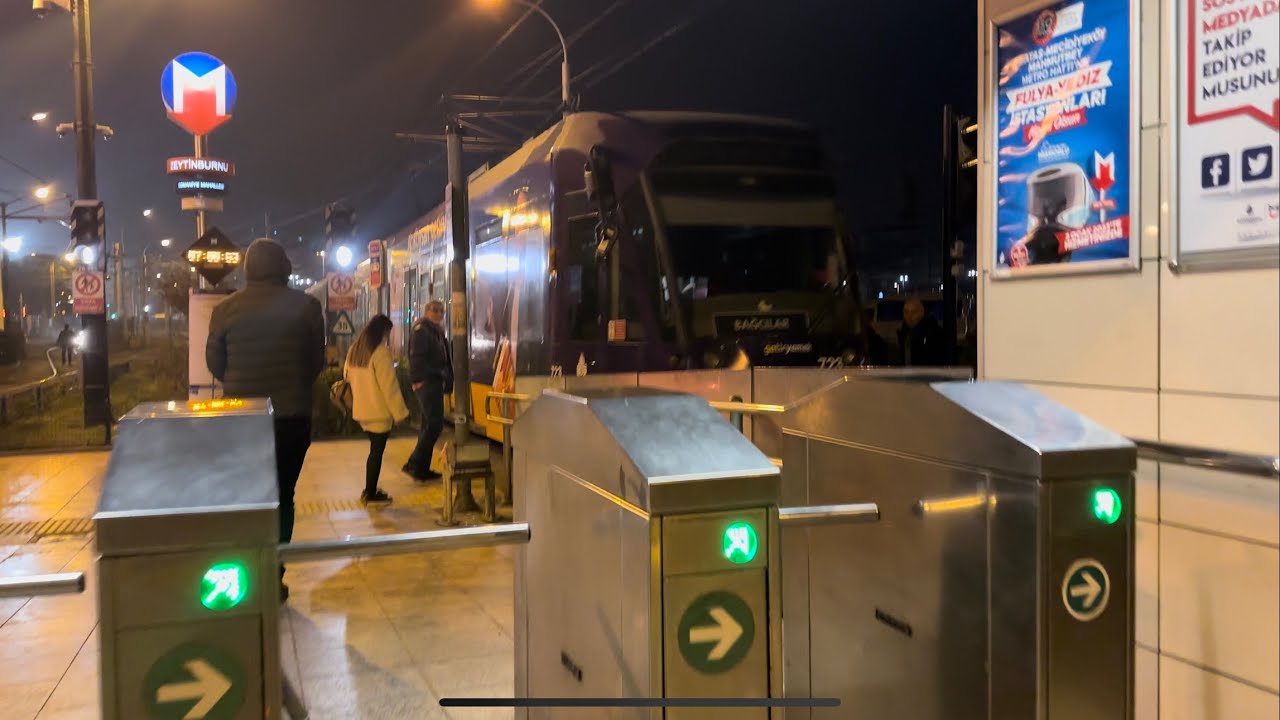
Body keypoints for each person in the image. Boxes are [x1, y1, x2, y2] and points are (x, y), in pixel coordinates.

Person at [206, 238, 325, 602]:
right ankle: (275, 571)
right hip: (292, 415)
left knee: (249, 495)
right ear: (285, 266)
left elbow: (215, 364)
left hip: (242, 418)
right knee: (283, 496)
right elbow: (316, 363)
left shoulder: (225, 310)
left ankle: (247, 570)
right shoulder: (307, 306)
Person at [344, 314, 410, 505]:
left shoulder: (355, 350)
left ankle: (370, 489)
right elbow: (389, 386)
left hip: (362, 410)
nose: (387, 337)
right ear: (381, 331)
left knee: (375, 450)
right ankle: (370, 491)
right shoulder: (380, 352)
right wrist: (400, 413)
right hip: (378, 412)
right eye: (387, 332)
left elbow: (347, 376)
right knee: (376, 452)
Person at [403, 300, 452, 481]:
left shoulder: (435, 331)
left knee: (428, 425)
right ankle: (415, 463)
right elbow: (417, 360)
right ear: (426, 311)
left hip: (433, 382)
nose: (439, 314)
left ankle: (421, 467)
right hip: (427, 383)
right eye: (435, 310)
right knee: (434, 424)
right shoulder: (422, 331)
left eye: (442, 311)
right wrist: (427, 378)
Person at [897, 296, 946, 367]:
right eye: (906, 312)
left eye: (914, 312)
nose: (909, 316)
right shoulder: (904, 333)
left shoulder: (934, 333)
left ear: (922, 313)